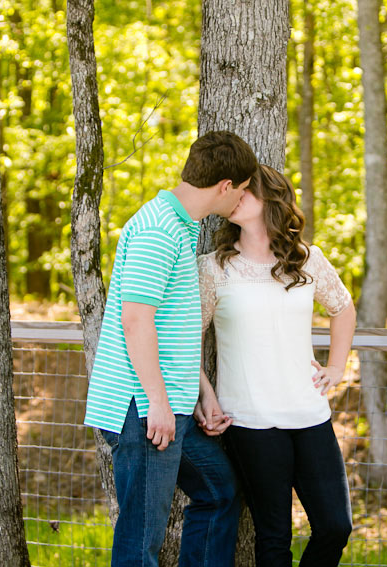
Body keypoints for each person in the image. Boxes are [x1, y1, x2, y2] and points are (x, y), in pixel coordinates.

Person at [83, 131, 258, 567]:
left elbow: (170, 327)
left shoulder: (182, 226)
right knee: (140, 540)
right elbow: (136, 319)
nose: (241, 200)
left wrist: (192, 394)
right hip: (140, 409)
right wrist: (158, 403)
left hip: (167, 404)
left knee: (219, 491)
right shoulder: (158, 228)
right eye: (241, 189)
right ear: (225, 187)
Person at [196, 164, 357, 566]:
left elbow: (343, 307)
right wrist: (207, 393)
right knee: (273, 540)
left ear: (270, 199)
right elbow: (183, 340)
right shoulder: (214, 268)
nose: (235, 198)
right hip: (250, 422)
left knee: (336, 527)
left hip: (310, 414)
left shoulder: (306, 259)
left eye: (246, 191)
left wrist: (336, 367)